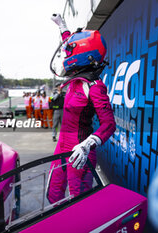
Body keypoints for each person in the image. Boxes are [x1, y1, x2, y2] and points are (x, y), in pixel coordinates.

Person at [46, 14, 116, 204]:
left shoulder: (94, 86)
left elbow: (109, 124)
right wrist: (63, 27)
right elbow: (72, 46)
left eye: (70, 52)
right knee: (53, 196)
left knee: (79, 201)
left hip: (79, 150)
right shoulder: (77, 79)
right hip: (61, 146)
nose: (67, 54)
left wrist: (88, 144)